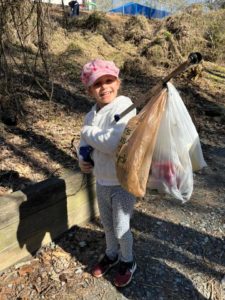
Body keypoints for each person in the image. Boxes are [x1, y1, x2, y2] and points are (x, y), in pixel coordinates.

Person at [79, 59, 137, 287]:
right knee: (107, 224)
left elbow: (113, 142)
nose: (104, 87)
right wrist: (82, 159)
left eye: (109, 80)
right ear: (90, 90)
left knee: (122, 226)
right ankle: (112, 254)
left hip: (122, 181)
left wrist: (87, 132)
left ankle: (128, 260)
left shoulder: (126, 106)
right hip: (101, 180)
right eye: (97, 84)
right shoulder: (91, 115)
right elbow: (84, 144)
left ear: (118, 82)